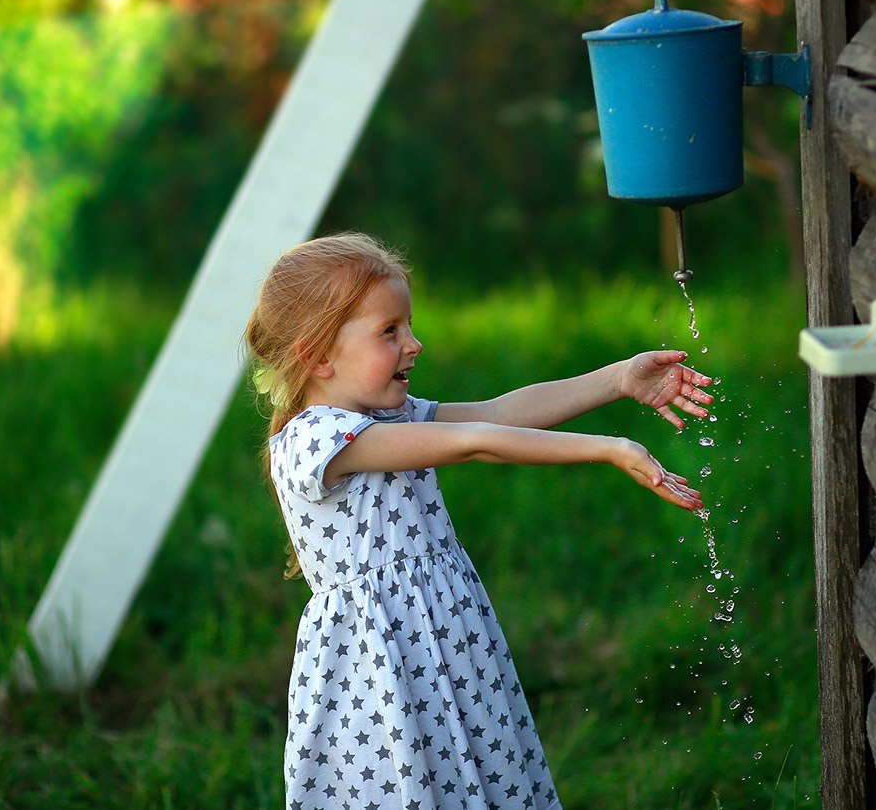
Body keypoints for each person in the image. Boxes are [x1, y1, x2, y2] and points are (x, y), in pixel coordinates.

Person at [244, 233, 714, 810]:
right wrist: (608, 448)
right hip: (380, 675)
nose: (414, 344)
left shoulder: (388, 418)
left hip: (448, 648)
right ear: (317, 355)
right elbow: (474, 442)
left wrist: (618, 380)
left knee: (476, 780)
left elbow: (495, 414)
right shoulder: (315, 439)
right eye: (389, 331)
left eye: (408, 325)